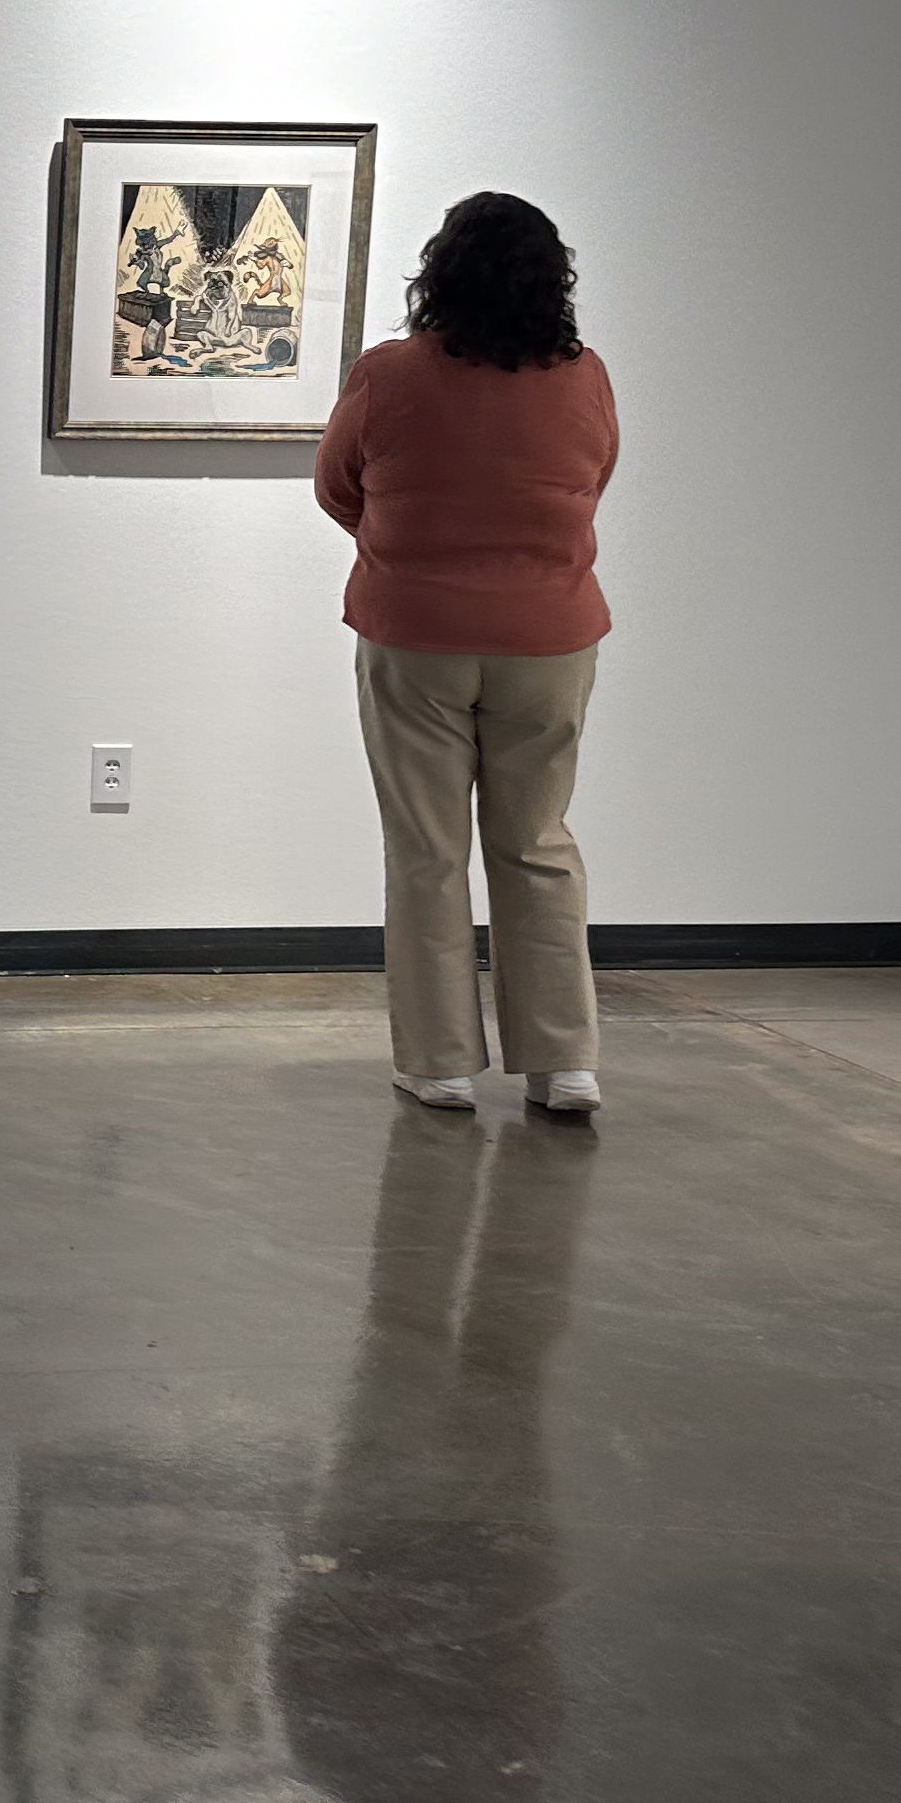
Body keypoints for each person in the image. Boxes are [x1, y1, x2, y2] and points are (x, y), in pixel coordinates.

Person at [314, 193, 618, 1117]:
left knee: (427, 850)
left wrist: (413, 547)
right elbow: (591, 481)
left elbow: (337, 486)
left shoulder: (389, 373)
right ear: (551, 280)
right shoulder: (585, 377)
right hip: (549, 637)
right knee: (537, 843)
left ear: (439, 273)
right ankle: (563, 1062)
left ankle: (440, 1061)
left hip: (415, 635)